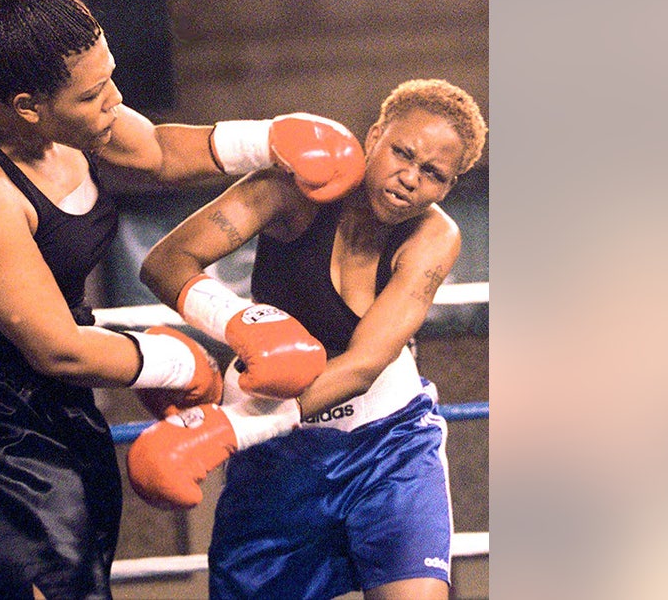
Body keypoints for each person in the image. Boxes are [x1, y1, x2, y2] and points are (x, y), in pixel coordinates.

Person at [0, 0, 365, 600]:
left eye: (109, 74)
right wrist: (176, 360)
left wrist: (274, 138)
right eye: (93, 94)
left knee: (87, 580)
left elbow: (162, 153)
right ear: (28, 104)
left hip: (62, 391)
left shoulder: (75, 119)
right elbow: (55, 347)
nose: (113, 100)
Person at [129, 78, 487, 600]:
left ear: (448, 186)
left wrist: (231, 427)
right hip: (279, 457)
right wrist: (238, 321)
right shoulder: (290, 191)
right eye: (402, 153)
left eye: (432, 173)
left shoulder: (435, 235)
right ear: (374, 136)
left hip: (387, 443)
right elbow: (165, 262)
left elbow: (365, 363)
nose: (409, 178)